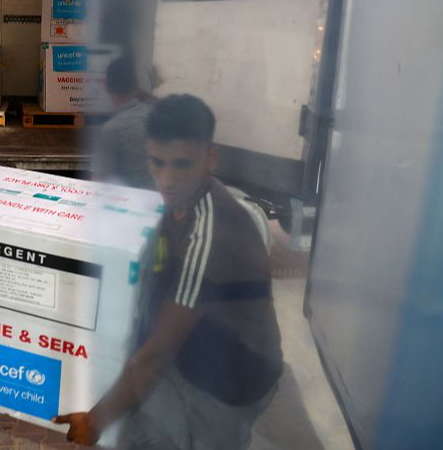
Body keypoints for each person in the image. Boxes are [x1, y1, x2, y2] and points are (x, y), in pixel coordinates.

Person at [55, 94, 283, 450]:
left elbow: (157, 355)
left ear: (210, 157)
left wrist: (95, 421)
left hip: (234, 383)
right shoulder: (176, 207)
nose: (166, 179)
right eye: (157, 163)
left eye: (181, 165)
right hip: (194, 352)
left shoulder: (210, 237)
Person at [92, 56, 156, 190]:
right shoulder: (154, 112)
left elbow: (97, 183)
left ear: (106, 85)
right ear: (137, 85)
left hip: (132, 203)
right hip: (158, 199)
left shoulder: (113, 129)